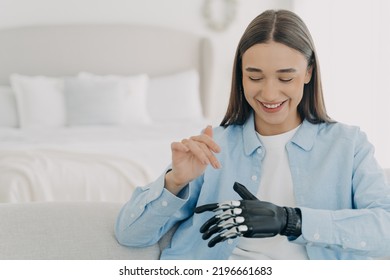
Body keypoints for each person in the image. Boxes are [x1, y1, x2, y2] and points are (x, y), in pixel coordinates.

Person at [115, 9, 390, 260]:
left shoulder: (348, 146)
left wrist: (291, 220)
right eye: (255, 77)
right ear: (241, 76)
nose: (269, 94)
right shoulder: (214, 145)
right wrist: (174, 181)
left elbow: (385, 229)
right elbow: (130, 235)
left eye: (285, 78)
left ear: (308, 73)